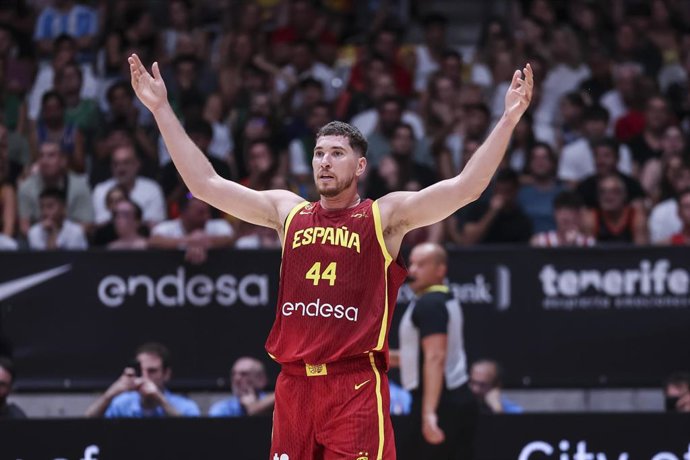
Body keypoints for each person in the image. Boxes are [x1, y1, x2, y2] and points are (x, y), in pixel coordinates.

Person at [129, 53, 532, 459]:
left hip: (353, 385)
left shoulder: (384, 216)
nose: (325, 161)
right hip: (293, 386)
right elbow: (206, 184)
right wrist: (161, 109)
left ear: (359, 166)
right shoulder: (288, 212)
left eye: (337, 153)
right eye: (320, 152)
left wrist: (508, 119)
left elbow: (466, 188)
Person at [398, 243, 478, 459]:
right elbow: (418, 355)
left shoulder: (431, 304)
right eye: (412, 263)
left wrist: (429, 413)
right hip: (453, 398)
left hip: (441, 403)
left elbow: (435, 357)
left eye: (421, 265)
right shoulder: (442, 298)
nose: (412, 271)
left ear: (440, 269)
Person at [84, 342, 200, 418]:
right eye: (141, 370)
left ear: (166, 374)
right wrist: (110, 395)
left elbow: (192, 436)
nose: (145, 377)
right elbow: (86, 425)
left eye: (152, 371)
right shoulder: (121, 404)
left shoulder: (186, 407)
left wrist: (160, 399)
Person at [209, 357, 275, 417]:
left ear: (261, 379)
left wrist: (252, 405)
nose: (237, 379)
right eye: (233, 374)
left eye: (244, 374)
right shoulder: (222, 409)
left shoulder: (274, 404)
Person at [531, 191, 595, 247]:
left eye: (570, 211)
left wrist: (573, 244)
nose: (565, 216)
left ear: (578, 215)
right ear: (554, 213)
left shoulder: (589, 243)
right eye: (560, 212)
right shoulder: (540, 242)